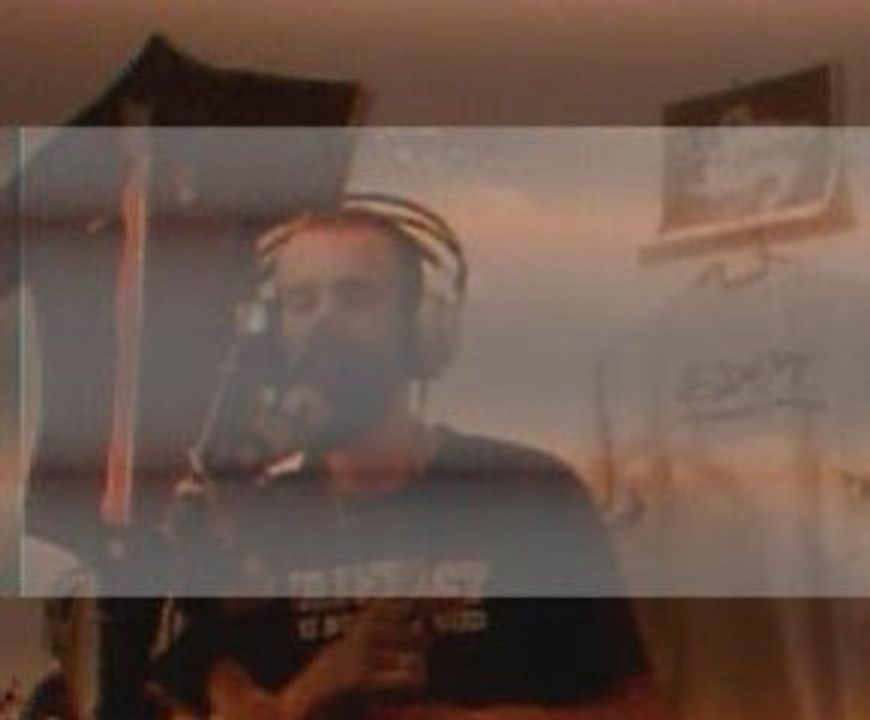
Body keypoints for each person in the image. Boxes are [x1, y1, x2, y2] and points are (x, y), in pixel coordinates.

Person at [147, 198, 667, 719]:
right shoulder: (255, 523)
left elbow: (639, 709)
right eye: (301, 303)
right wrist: (313, 686)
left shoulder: (528, 494)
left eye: (355, 296)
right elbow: (207, 687)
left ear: (420, 328)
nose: (325, 323)